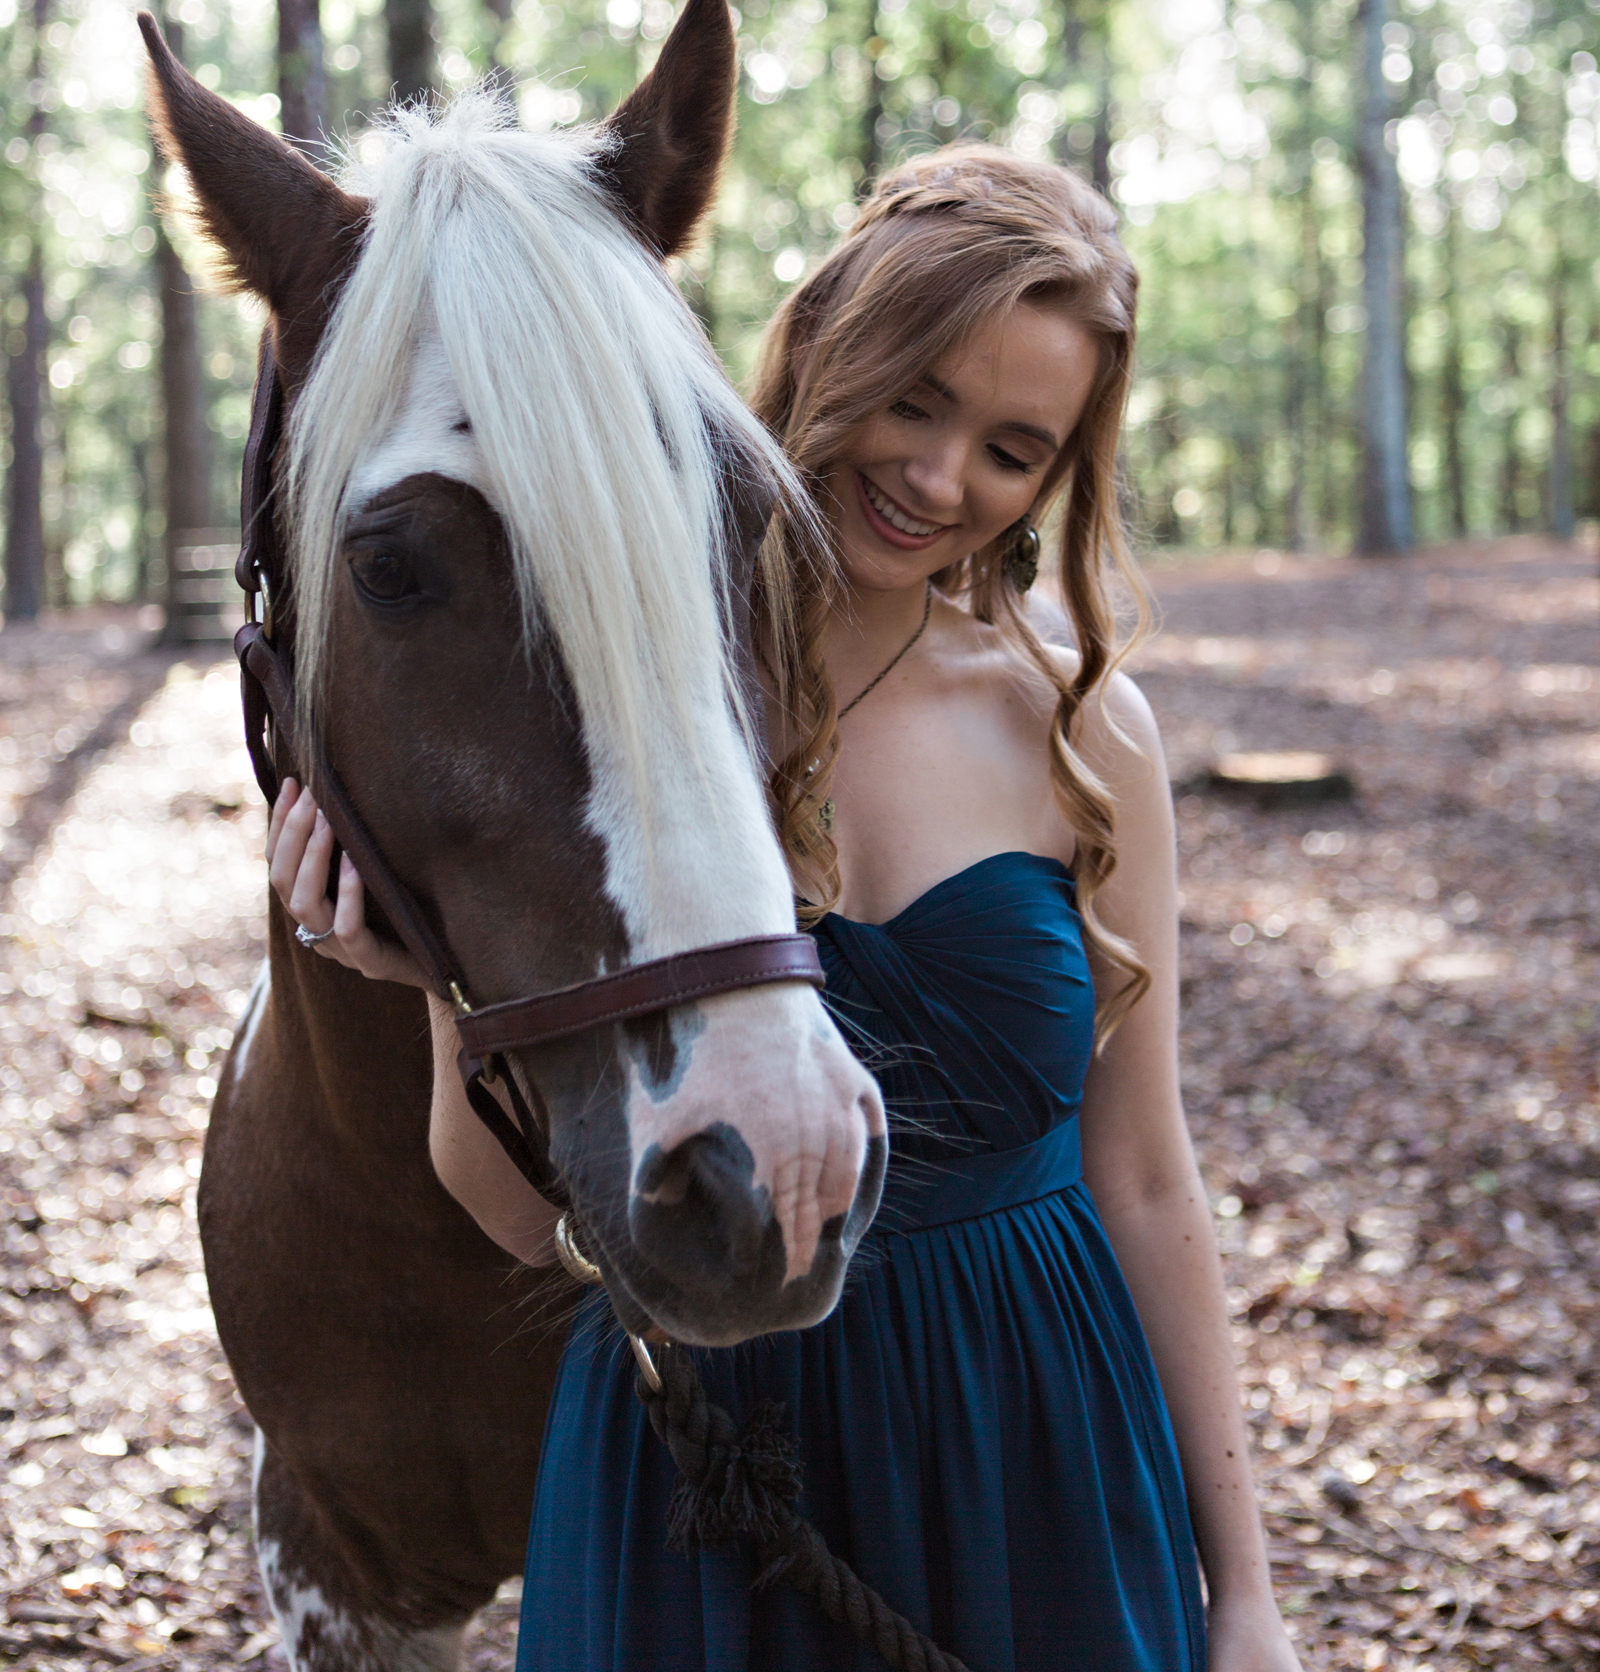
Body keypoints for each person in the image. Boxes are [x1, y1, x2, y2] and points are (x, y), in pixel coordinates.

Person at [270, 143, 1300, 1672]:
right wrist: (433, 982)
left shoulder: (1086, 733)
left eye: (1015, 447)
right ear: (824, 341)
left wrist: (1247, 1592)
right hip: (712, 1471)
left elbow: (1144, 1172)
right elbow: (510, 1209)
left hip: (1039, 1453)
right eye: (917, 398)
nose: (942, 477)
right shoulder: (630, 705)